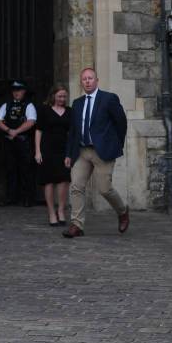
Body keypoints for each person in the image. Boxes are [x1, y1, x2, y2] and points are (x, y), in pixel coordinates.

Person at [62, 68, 129, 238]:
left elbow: (121, 123)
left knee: (104, 189)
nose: (87, 81)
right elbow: (73, 131)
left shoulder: (108, 99)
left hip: (103, 151)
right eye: (84, 79)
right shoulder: (77, 103)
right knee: (76, 186)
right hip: (82, 151)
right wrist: (69, 154)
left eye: (90, 78)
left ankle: (122, 211)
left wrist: (115, 144)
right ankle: (77, 225)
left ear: (97, 80)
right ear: (81, 82)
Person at [0, 80, 37, 207]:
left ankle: (27, 198)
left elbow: (31, 121)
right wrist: (8, 130)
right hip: (9, 142)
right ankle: (11, 197)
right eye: (14, 90)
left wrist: (16, 132)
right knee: (10, 169)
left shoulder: (29, 105)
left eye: (19, 90)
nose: (16, 92)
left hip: (24, 142)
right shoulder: (6, 105)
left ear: (24, 91)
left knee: (26, 170)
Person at [34, 84, 72, 226]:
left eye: (64, 96)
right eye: (59, 96)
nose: (62, 99)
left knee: (63, 180)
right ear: (53, 96)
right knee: (48, 181)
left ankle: (61, 211)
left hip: (63, 151)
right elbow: (38, 131)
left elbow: (71, 132)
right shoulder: (44, 110)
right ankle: (51, 213)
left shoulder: (69, 111)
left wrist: (70, 152)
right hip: (47, 150)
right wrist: (37, 151)